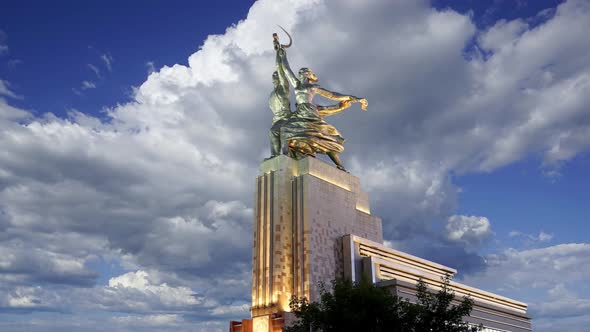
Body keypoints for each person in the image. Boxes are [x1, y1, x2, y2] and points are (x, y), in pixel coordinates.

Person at [276, 47, 367, 171]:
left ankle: (340, 165)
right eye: (300, 73)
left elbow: (333, 95)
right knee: (286, 131)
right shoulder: (297, 84)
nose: (300, 74)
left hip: (310, 113)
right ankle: (284, 157)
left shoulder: (314, 87)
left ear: (308, 75)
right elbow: (286, 70)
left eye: (303, 72)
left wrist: (355, 99)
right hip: (299, 113)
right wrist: (281, 54)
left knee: (322, 137)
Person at [266, 39, 292, 159]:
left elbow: (280, 68)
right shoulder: (272, 94)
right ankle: (275, 155)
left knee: (277, 130)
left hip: (286, 117)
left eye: (276, 74)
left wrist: (278, 53)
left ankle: (282, 155)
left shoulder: (283, 88)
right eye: (273, 74)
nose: (275, 75)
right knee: (272, 131)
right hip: (276, 119)